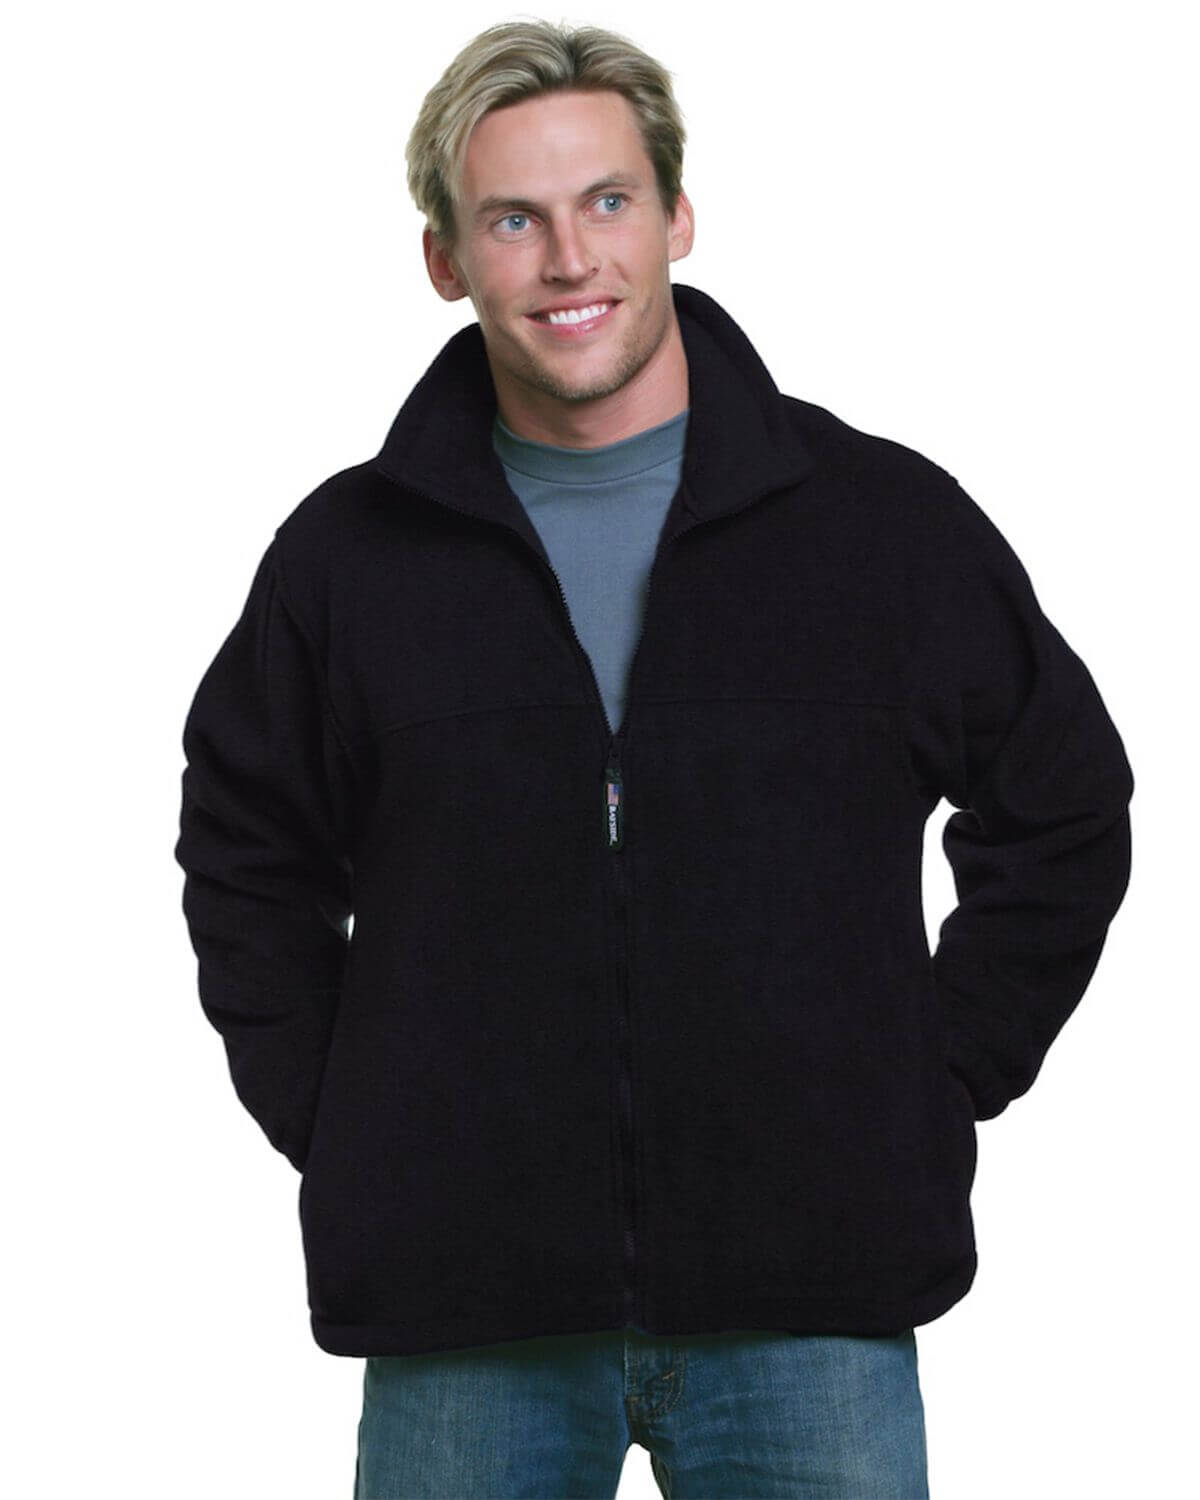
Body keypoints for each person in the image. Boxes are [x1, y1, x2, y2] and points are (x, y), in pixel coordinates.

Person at [173, 18, 1135, 1499]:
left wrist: (928, 1075)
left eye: (608, 201)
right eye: (514, 219)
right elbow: (247, 854)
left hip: (812, 1308)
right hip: (465, 1317)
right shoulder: (347, 562)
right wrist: (350, 1120)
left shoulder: (878, 527)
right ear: (445, 260)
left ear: (678, 217)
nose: (571, 259)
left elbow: (1062, 803)